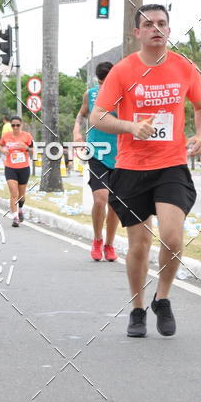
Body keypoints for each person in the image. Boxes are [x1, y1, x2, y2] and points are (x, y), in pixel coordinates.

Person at [90, 4, 201, 338]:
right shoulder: (124, 71)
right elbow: (97, 116)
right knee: (139, 244)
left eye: (162, 23)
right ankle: (138, 308)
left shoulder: (184, 67)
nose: (156, 28)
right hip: (130, 168)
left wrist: (200, 136)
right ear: (137, 33)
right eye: (149, 24)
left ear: (169, 30)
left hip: (171, 164)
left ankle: (163, 298)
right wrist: (131, 126)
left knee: (172, 238)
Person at [73, 62, 119, 262]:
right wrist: (77, 130)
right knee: (100, 199)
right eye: (100, 82)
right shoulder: (90, 94)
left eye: (106, 82)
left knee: (115, 204)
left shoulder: (124, 94)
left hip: (120, 155)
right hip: (96, 153)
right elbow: (81, 115)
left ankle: (109, 244)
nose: (103, 86)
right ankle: (97, 240)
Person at [0, 115, 34, 227]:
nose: (15, 127)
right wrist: (3, 150)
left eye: (17, 125)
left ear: (21, 125)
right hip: (10, 168)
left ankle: (20, 209)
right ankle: (15, 218)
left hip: (23, 168)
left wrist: (26, 148)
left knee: (21, 195)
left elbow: (34, 150)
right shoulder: (6, 136)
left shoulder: (27, 136)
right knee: (14, 193)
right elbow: (0, 145)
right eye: (13, 125)